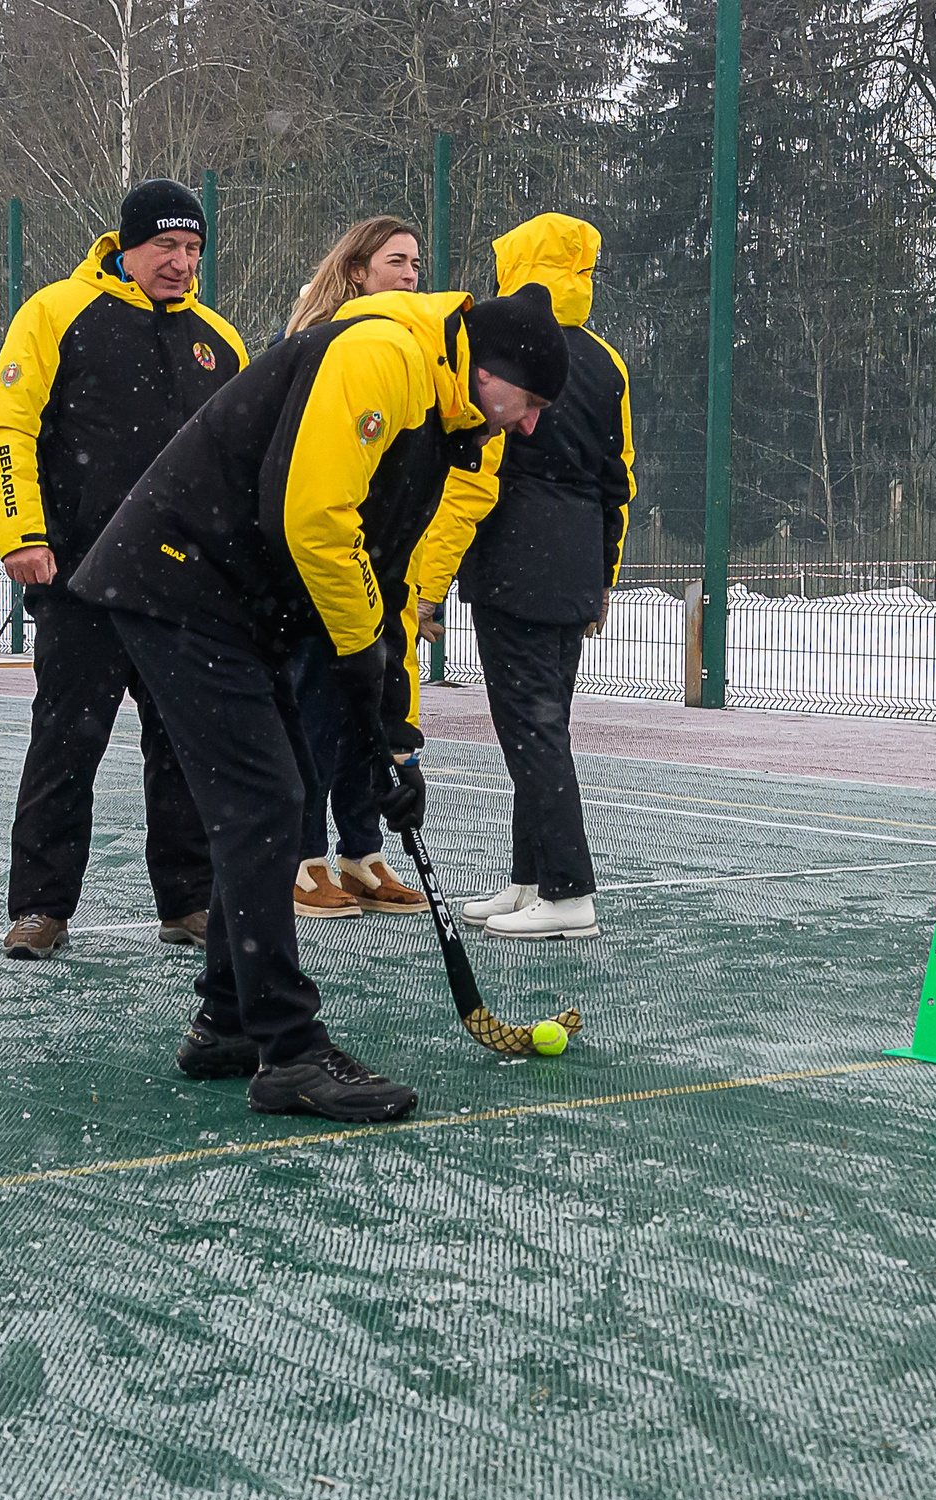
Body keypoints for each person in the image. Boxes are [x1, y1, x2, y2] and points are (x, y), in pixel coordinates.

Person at [71, 283, 569, 1121]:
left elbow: (393, 575)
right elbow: (311, 518)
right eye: (530, 403)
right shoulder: (385, 359)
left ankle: (229, 1020)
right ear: (492, 372)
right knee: (263, 801)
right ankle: (288, 1051)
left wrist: (388, 726)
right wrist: (353, 656)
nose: (529, 427)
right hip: (182, 579)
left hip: (244, 602)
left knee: (279, 790)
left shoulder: (451, 426)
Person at [0, 179, 247, 961]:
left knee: (187, 750)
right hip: (80, 580)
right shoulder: (57, 312)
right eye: (166, 245)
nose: (181, 262)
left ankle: (190, 903)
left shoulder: (220, 342)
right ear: (125, 246)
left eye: (193, 249)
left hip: (184, 589)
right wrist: (22, 534)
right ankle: (39, 908)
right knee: (66, 744)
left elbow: (242, 464)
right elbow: (5, 428)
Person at [409, 213, 633, 941]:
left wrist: (428, 581)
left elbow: (470, 478)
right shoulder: (606, 363)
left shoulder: (498, 351)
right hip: (570, 567)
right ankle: (530, 879)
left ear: (517, 268)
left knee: (530, 730)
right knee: (544, 726)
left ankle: (568, 892)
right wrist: (603, 576)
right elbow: (616, 480)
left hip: (513, 560)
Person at [272, 217, 432, 923]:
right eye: (394, 260)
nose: (409, 273)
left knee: (373, 708)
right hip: (318, 561)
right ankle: (302, 861)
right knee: (315, 708)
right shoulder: (322, 345)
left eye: (417, 264)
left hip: (380, 561)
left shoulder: (412, 352)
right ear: (358, 271)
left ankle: (361, 853)